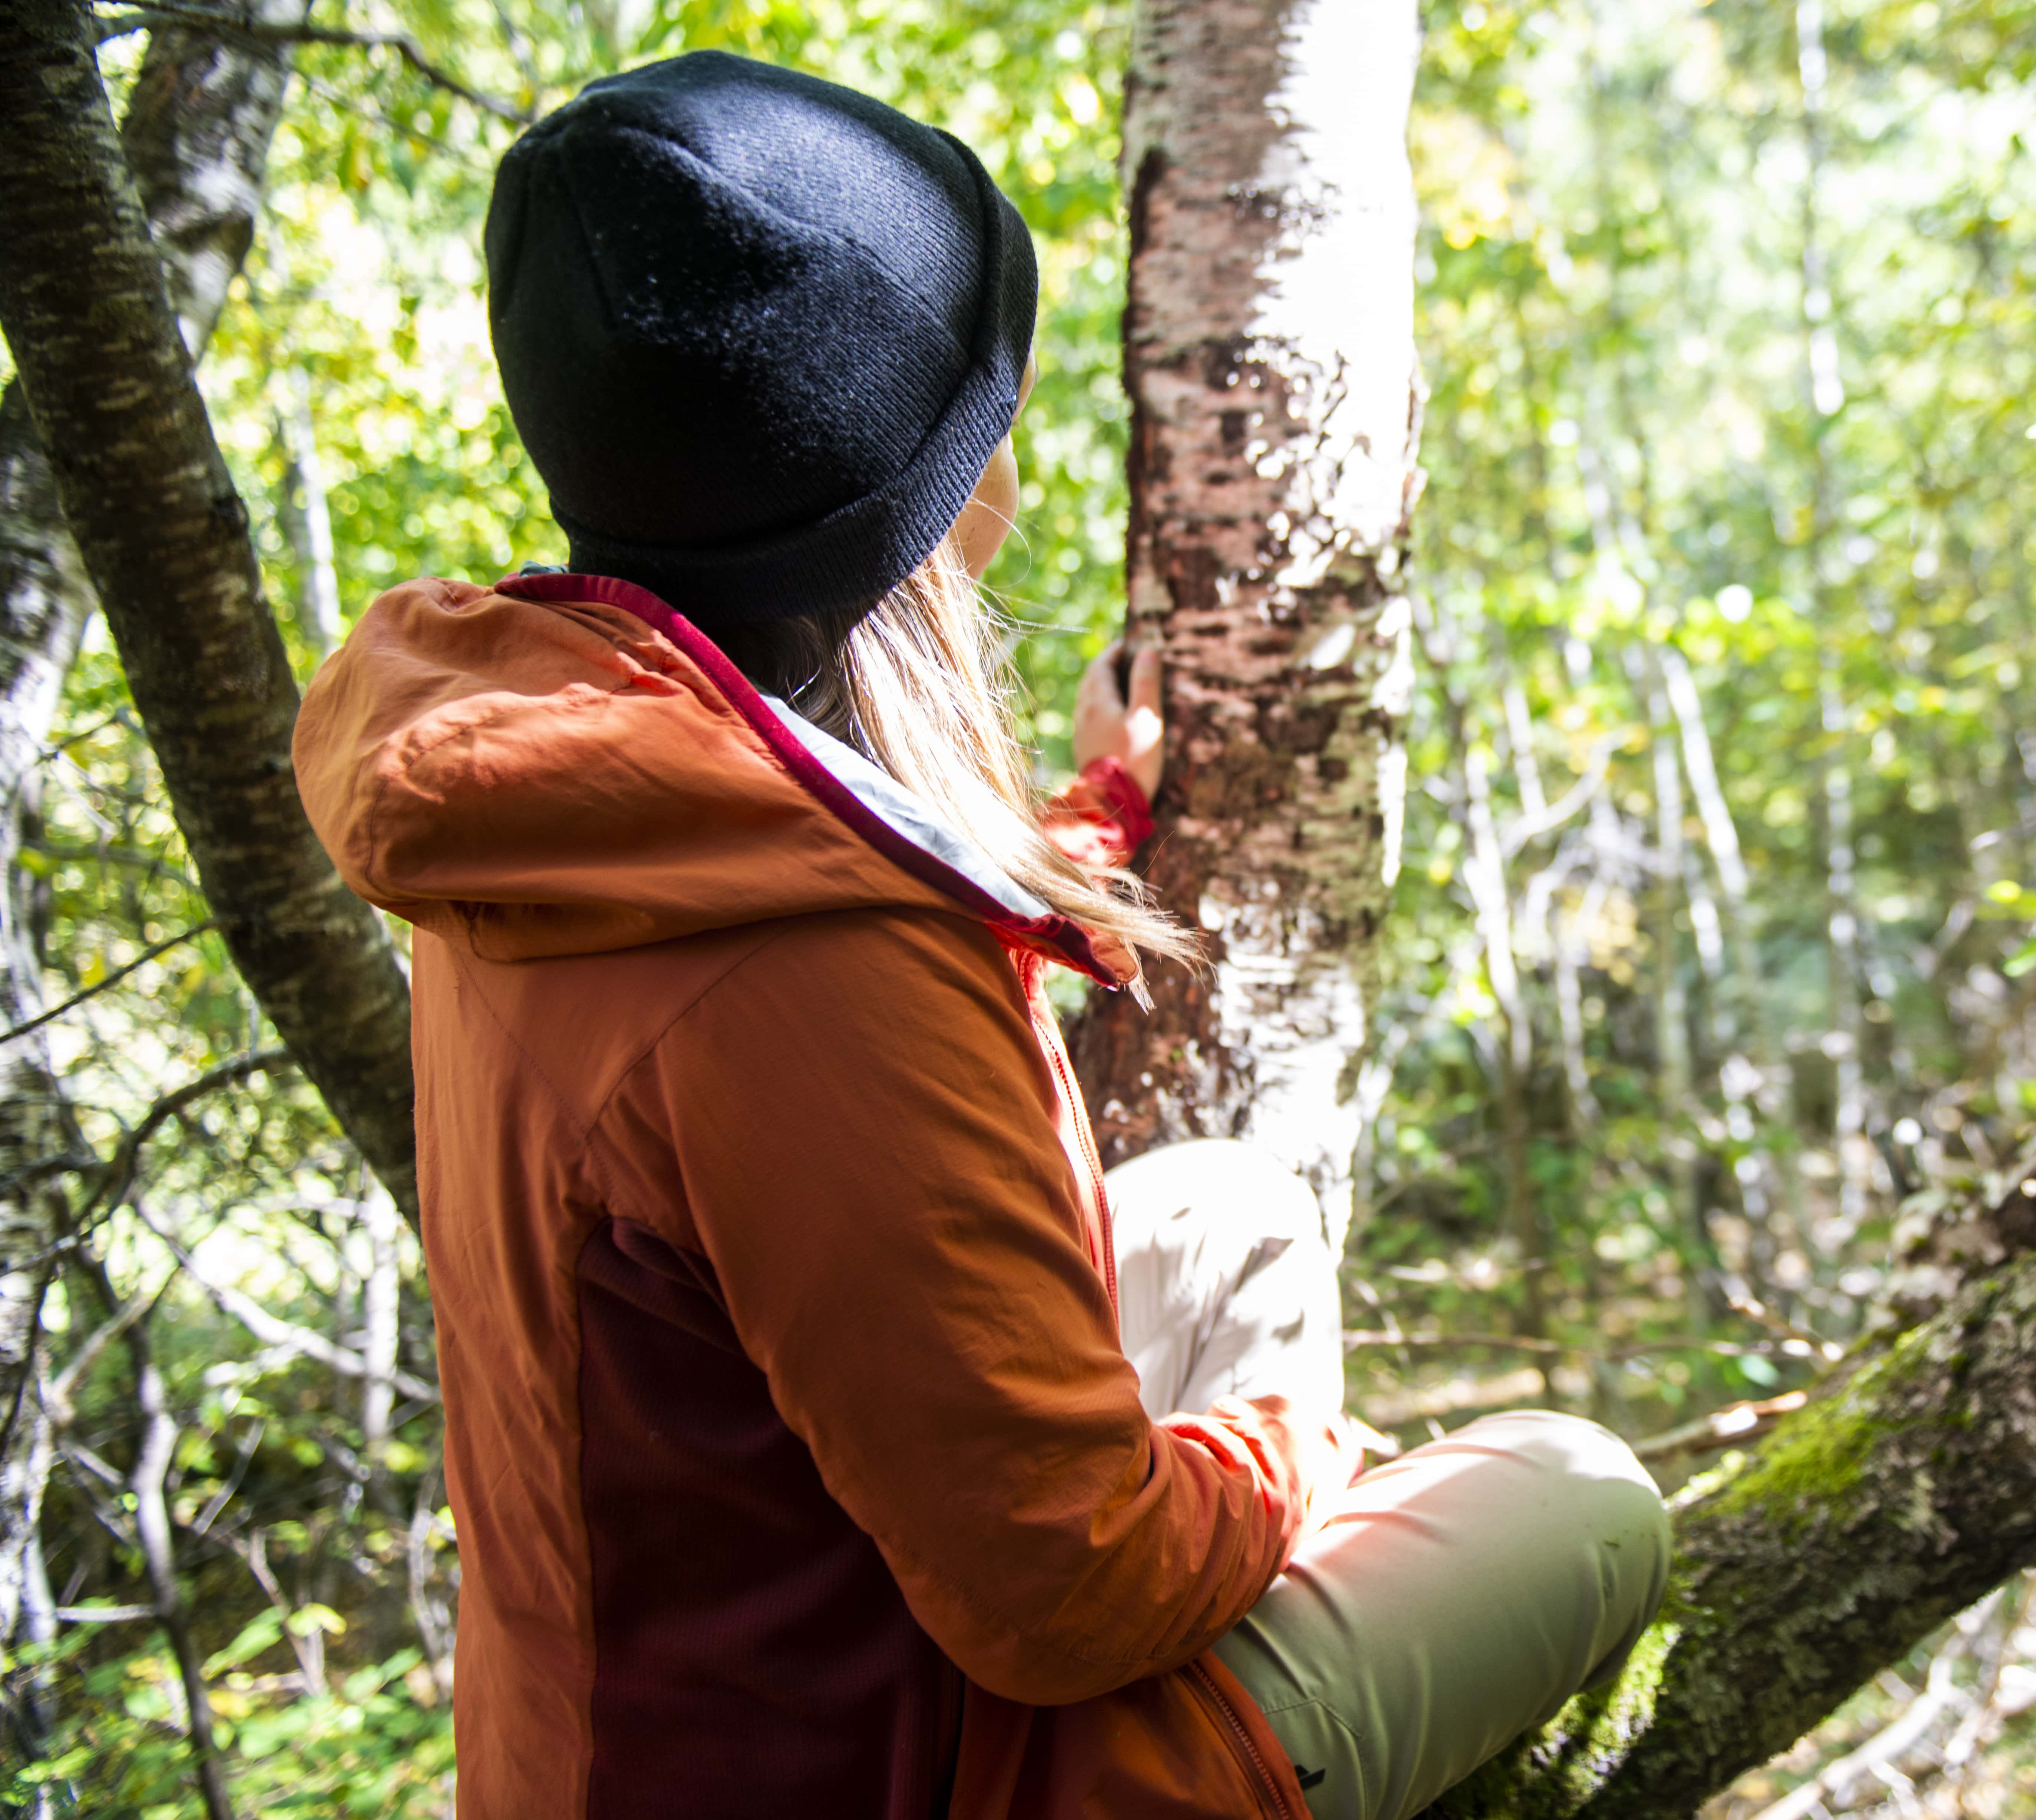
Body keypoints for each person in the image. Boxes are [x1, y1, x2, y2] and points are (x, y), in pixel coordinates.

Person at [291, 52, 1668, 1820]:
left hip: (658, 1735)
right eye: (985, 394)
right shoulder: (806, 973)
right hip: (910, 1773)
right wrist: (1292, 1465)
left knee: (1227, 1213)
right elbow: (1067, 1591)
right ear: (909, 488)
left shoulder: (557, 783)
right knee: (1579, 1488)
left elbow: (827, 995)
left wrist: (1092, 814)